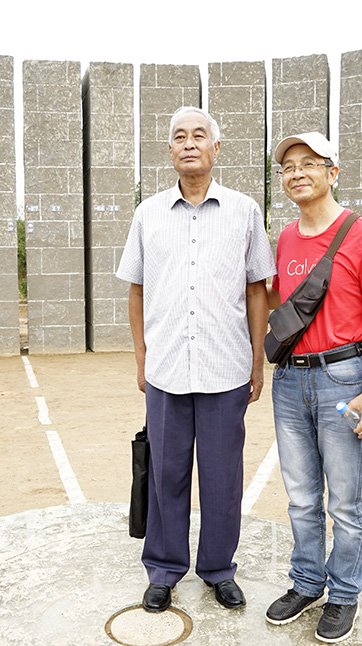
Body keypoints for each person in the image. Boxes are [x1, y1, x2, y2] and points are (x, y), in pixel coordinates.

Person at [116, 106, 276, 613]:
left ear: (215, 148)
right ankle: (163, 569)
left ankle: (217, 569)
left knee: (223, 475)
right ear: (170, 151)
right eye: (179, 137)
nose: (190, 143)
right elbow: (137, 291)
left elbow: (257, 291)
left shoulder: (245, 211)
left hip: (225, 367)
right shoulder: (147, 214)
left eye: (199, 136)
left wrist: (256, 361)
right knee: (167, 474)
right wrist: (142, 358)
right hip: (166, 369)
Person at [264, 132, 362, 643]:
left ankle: (344, 594)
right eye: (287, 167)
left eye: (308, 164)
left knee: (344, 500)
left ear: (332, 172)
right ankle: (306, 582)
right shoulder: (287, 238)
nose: (296, 173)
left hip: (343, 376)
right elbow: (280, 297)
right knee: (300, 497)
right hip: (289, 379)